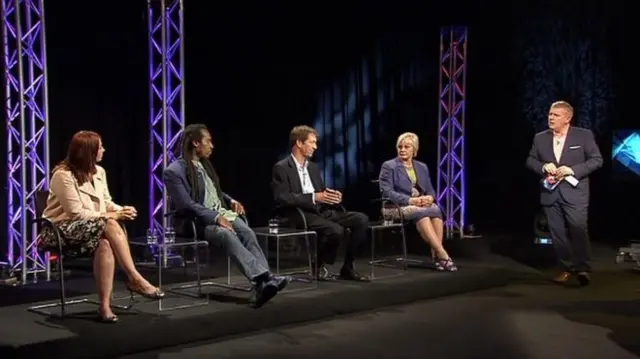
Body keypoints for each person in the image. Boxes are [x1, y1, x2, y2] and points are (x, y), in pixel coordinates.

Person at [40, 131, 164, 323]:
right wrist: (113, 215)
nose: (104, 150)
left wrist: (122, 209)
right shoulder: (62, 176)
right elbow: (76, 213)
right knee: (110, 222)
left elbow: (106, 202)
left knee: (105, 243)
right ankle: (135, 278)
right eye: (100, 147)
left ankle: (105, 306)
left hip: (93, 226)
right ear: (88, 152)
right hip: (60, 230)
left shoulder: (100, 172)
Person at [163, 124, 288, 308]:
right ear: (196, 143)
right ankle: (265, 278)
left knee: (248, 233)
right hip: (198, 222)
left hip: (221, 212)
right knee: (225, 234)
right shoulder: (173, 171)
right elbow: (186, 205)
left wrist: (230, 200)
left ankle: (263, 285)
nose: (212, 146)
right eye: (208, 141)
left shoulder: (205, 166)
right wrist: (215, 218)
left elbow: (215, 193)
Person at [271, 125, 370, 281]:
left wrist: (331, 196)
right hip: (300, 213)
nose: (315, 147)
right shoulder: (281, 167)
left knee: (361, 220)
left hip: (321, 211)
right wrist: (313, 197)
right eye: (312, 142)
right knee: (335, 230)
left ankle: (348, 268)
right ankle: (318, 265)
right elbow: (282, 197)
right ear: (299, 143)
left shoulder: (314, 168)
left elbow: (319, 191)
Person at [526, 101, 603, 286]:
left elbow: (596, 160)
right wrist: (543, 166)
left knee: (578, 229)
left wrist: (572, 170)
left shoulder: (583, 136)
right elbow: (530, 160)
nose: (551, 118)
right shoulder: (540, 138)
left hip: (575, 192)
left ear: (567, 118)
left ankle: (583, 268)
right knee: (557, 233)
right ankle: (566, 268)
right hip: (551, 192)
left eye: (556, 115)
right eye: (550, 114)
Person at [378, 132, 457, 272]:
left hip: (419, 205)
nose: (402, 149)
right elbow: (387, 192)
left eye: (406, 146)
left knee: (436, 211)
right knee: (423, 214)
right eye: (400, 146)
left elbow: (431, 190)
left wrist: (430, 198)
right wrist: (411, 200)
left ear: (414, 150)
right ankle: (442, 254)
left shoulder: (422, 167)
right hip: (394, 206)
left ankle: (437, 257)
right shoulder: (389, 166)